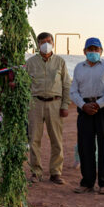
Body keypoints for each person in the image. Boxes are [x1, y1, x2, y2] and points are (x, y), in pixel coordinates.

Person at [70, 37, 104, 195]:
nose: (93, 52)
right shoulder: (78, 68)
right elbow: (73, 91)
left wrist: (98, 104)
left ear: (101, 52)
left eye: (96, 50)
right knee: (85, 146)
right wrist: (83, 105)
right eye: (90, 50)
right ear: (84, 52)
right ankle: (87, 182)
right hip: (84, 109)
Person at [25, 32, 71, 185]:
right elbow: (25, 85)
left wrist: (65, 105)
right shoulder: (30, 63)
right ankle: (36, 172)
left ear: (53, 43)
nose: (46, 44)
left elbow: (66, 84)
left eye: (49, 41)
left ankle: (56, 172)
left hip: (55, 104)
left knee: (56, 140)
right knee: (34, 140)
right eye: (42, 42)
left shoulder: (60, 62)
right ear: (38, 44)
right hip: (35, 103)